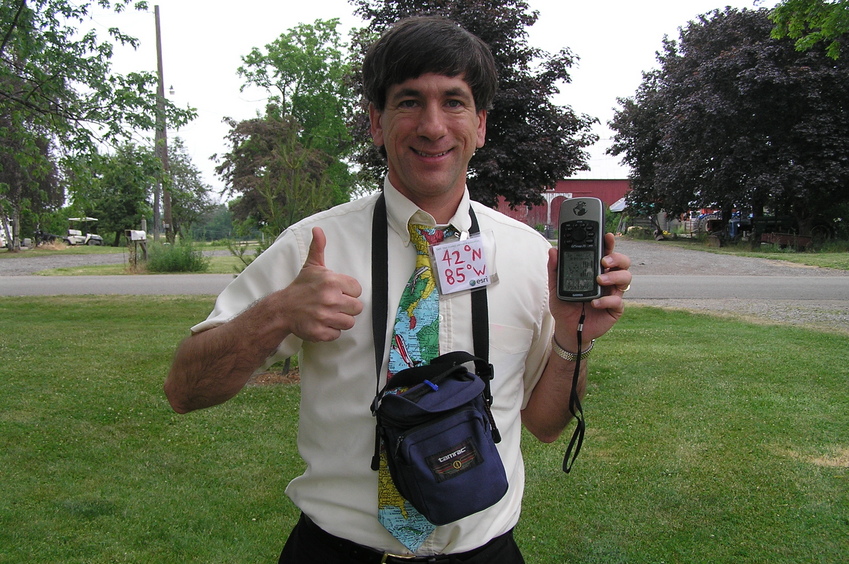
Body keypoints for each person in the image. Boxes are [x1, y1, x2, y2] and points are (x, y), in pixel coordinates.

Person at [164, 16, 632, 563]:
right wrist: (276, 313)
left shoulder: (531, 256)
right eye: (409, 101)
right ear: (376, 121)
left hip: (484, 552)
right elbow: (183, 390)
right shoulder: (310, 247)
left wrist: (575, 339)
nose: (433, 126)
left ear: (480, 125)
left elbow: (547, 425)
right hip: (337, 551)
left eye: (454, 102)